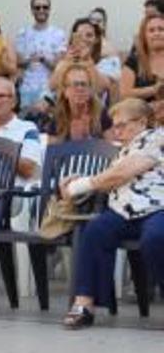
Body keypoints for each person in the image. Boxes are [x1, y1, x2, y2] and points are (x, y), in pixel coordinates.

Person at [60, 98, 164, 329]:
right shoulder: (123, 151)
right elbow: (108, 182)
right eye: (114, 126)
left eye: (122, 125)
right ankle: (84, 304)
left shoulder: (155, 137)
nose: (116, 131)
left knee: (155, 239)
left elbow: (124, 173)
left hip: (157, 208)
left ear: (142, 122)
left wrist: (82, 185)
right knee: (95, 231)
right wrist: (73, 182)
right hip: (122, 212)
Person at [0, 77, 43, 185]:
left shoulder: (27, 129)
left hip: (13, 196)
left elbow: (29, 170)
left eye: (1, 96)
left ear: (13, 102)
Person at [14, 0, 67, 112]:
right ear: (32, 10)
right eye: (37, 7)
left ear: (49, 9)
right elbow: (19, 61)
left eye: (45, 7)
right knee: (28, 124)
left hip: (49, 89)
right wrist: (29, 60)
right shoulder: (23, 33)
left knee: (47, 125)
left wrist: (42, 59)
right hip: (27, 89)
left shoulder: (58, 34)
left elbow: (59, 66)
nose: (41, 10)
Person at [49, 63, 109, 142]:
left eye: (83, 84)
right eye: (75, 84)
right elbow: (52, 149)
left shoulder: (101, 114)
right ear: (65, 91)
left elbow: (111, 146)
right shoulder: (58, 118)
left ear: (90, 90)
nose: (80, 89)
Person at [120, 14, 164, 102]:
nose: (157, 33)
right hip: (141, 112)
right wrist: (154, 90)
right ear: (144, 36)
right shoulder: (133, 61)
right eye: (151, 30)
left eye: (161, 29)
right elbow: (125, 93)